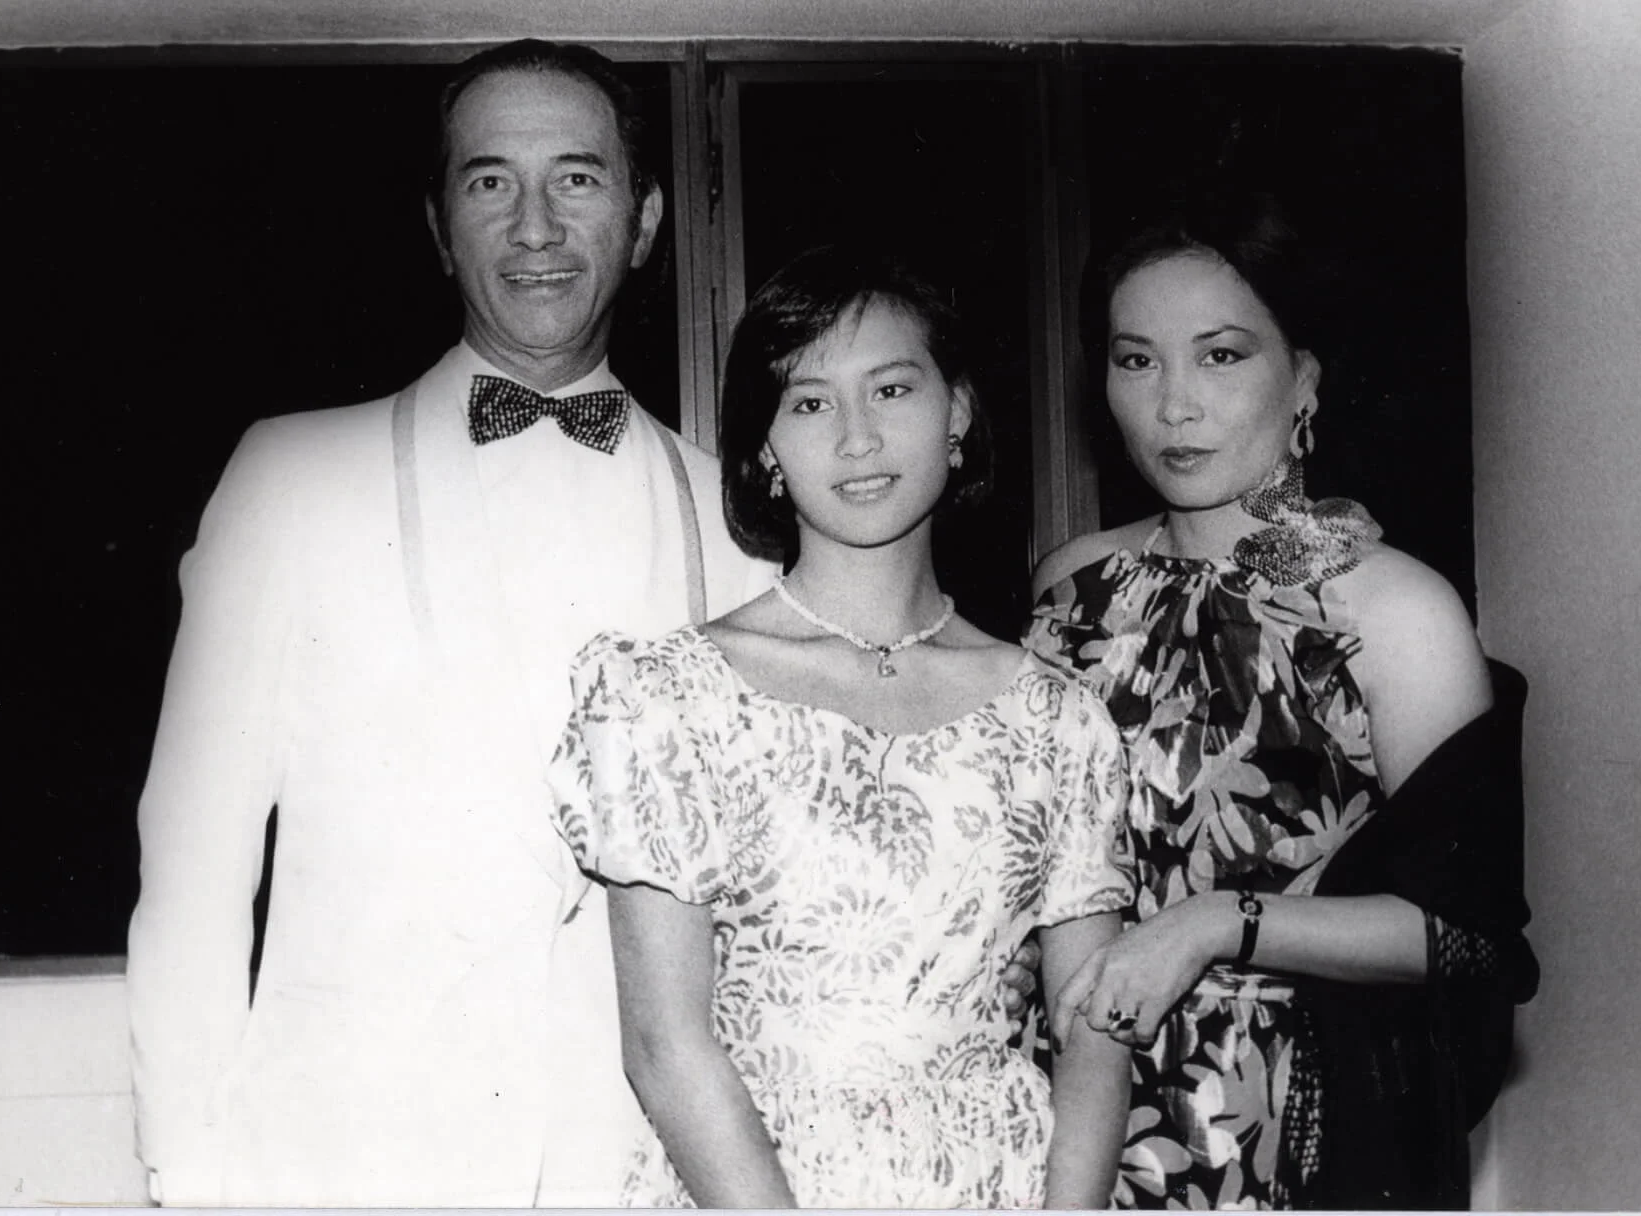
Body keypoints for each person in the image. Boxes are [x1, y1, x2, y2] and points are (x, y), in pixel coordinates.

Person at [122, 40, 778, 1206]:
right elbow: (191, 869)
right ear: (438, 226)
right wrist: (189, 1179)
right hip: (349, 1165)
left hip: (635, 1172)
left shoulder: (740, 527)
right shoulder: (291, 478)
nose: (535, 225)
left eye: (577, 177)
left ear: (645, 220)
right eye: (489, 181)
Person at [547, 246, 1134, 1207]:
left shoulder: (1059, 720)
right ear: (764, 448)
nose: (858, 438)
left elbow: (1093, 1035)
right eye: (811, 403)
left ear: (957, 413)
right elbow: (664, 1044)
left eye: (892, 389)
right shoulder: (669, 699)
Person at [1029, 189, 1540, 1209]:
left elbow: (1471, 937)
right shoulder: (1070, 585)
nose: (1175, 404)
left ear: (1303, 377)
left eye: (1221, 356)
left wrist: (1216, 922)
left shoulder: (1394, 611)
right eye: (1137, 360)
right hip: (1046, 1113)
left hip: (1269, 1137)